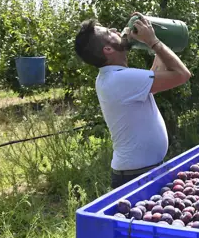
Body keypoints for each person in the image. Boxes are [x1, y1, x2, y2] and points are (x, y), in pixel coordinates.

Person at [74, 12, 191, 189]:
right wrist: (153, 43)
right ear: (108, 49)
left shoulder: (113, 77)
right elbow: (182, 75)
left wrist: (157, 39)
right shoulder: (119, 79)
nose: (115, 29)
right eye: (109, 32)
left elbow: (157, 77)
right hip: (136, 176)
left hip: (138, 172)